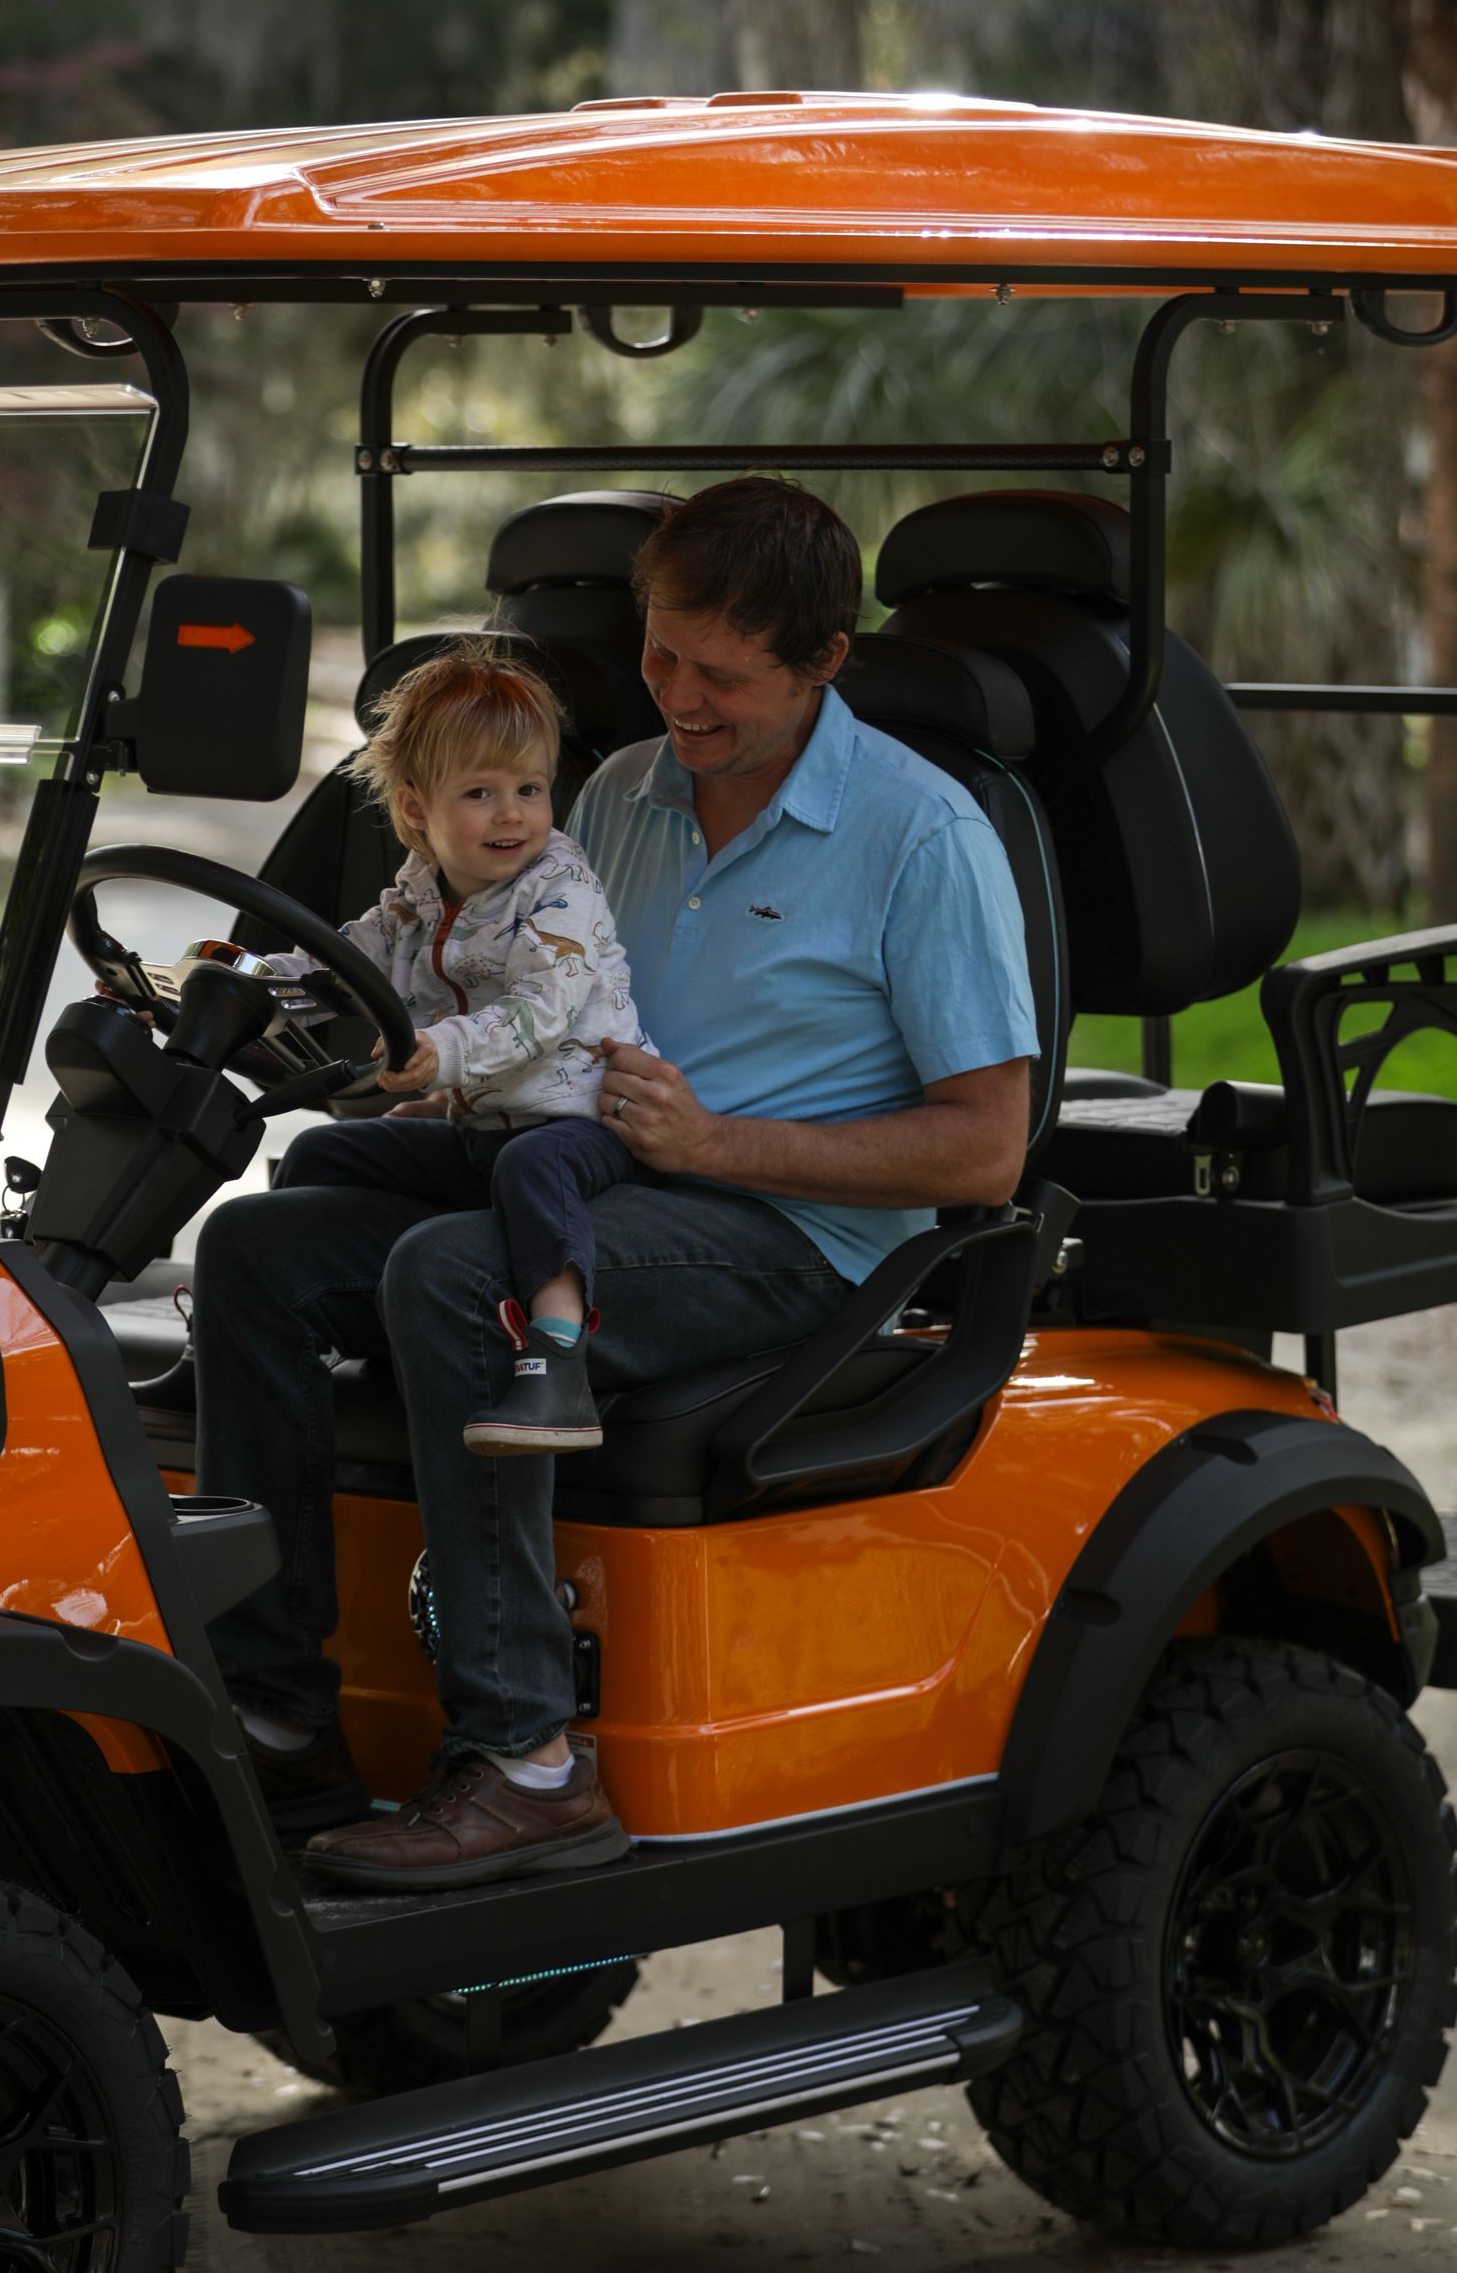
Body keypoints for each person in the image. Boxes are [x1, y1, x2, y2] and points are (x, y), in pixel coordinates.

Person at [194, 476, 1038, 1887]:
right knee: (260, 1250)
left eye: (720, 674)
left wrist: (716, 1144)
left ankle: (527, 1759)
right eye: (660, 657)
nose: (677, 697)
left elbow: (984, 1149)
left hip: (789, 1232)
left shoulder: (923, 837)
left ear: (826, 661)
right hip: (585, 1176)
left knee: (451, 1277)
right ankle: (275, 1706)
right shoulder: (624, 791)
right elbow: (518, 990)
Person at [258, 636, 652, 1454]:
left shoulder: (559, 890)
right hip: (484, 1126)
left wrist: (440, 1052)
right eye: (480, 791)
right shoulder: (419, 892)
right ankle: (280, 1341)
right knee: (328, 1155)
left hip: (585, 1124)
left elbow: (542, 1013)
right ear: (414, 811)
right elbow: (343, 961)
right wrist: (247, 980)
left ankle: (558, 1357)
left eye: (530, 789)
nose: (512, 813)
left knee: (530, 1168)